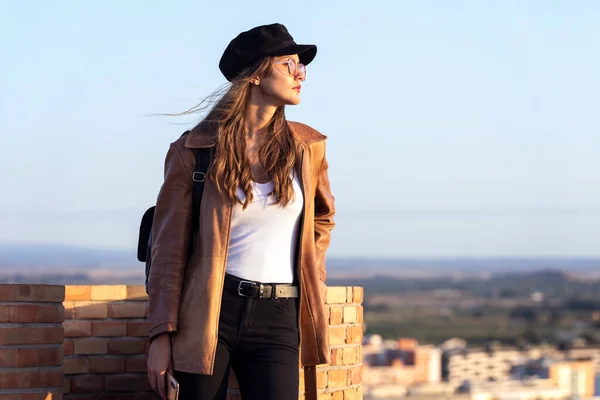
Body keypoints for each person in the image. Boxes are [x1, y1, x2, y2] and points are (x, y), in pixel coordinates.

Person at [146, 23, 335, 400]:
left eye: (301, 66)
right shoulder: (193, 152)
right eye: (288, 64)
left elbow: (322, 219)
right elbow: (167, 252)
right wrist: (161, 336)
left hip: (280, 314)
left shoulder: (307, 148)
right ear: (254, 74)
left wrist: (312, 271)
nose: (301, 74)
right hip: (209, 313)